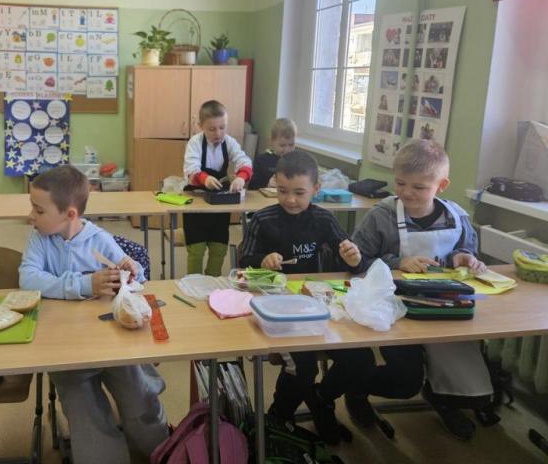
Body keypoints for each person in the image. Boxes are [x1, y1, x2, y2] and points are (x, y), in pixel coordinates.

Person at [19, 166, 168, 463]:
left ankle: (163, 450)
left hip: (110, 343)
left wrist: (131, 271)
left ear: (69, 214)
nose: (31, 216)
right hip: (65, 347)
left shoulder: (98, 239)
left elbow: (133, 280)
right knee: (83, 409)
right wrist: (85, 284)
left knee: (138, 397)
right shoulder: (39, 240)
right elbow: (28, 279)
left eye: (39, 210)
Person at [352, 139, 493, 440]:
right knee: (406, 381)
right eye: (400, 183)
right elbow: (356, 261)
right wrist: (398, 262)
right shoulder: (381, 216)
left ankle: (443, 399)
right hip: (397, 309)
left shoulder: (457, 217)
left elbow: (466, 251)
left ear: (441, 186)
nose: (406, 192)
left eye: (419, 187)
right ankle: (355, 389)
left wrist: (463, 257)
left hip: (444, 308)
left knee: (463, 373)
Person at [240, 150, 371, 444]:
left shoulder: (323, 219)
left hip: (318, 304)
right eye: (283, 191)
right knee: (303, 367)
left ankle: (321, 398)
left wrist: (354, 259)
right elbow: (244, 260)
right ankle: (279, 418)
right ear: (275, 185)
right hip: (276, 307)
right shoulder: (263, 219)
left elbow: (354, 263)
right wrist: (262, 260)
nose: (290, 200)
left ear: (316, 189)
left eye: (299, 193)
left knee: (360, 358)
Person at [183, 100, 252, 276]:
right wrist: (204, 179)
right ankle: (194, 283)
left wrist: (241, 178)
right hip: (196, 204)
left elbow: (244, 162)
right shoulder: (195, 143)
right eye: (212, 129)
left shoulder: (229, 142)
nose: (218, 133)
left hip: (219, 205)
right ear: (200, 126)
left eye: (222, 127)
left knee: (219, 249)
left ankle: (212, 284)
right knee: (196, 250)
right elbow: (191, 169)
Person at [249, 117, 297, 189]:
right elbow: (252, 187)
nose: (287, 150)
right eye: (282, 145)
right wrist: (267, 185)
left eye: (291, 145)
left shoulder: (297, 161)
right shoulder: (261, 160)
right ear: (272, 142)